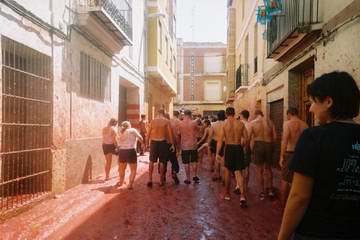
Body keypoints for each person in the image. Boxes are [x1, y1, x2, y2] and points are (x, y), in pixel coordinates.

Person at [278, 71, 360, 240]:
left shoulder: (313, 137)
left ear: (328, 102)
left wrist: (282, 237)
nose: (310, 108)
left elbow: (299, 196)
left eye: (314, 102)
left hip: (316, 231)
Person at [217, 107, 248, 207]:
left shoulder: (224, 125)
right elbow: (246, 139)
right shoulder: (241, 124)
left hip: (229, 148)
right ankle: (242, 196)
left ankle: (227, 194)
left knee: (227, 171)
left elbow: (220, 140)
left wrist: (218, 153)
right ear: (234, 114)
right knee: (238, 172)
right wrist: (241, 147)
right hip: (238, 147)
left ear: (226, 114)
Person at [279, 107, 308, 208]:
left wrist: (281, 157)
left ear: (289, 114)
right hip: (301, 154)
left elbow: (285, 140)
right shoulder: (305, 125)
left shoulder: (287, 124)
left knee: (285, 179)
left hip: (289, 153)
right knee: (298, 179)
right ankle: (296, 205)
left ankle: (284, 206)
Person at [248, 109, 277, 200]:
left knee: (259, 170)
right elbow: (275, 137)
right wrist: (272, 147)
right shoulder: (270, 122)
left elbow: (248, 137)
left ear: (256, 114)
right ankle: (271, 191)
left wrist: (250, 149)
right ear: (262, 114)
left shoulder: (252, 123)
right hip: (269, 144)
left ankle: (262, 192)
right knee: (268, 169)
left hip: (258, 144)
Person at [147, 109, 175, 187]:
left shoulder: (152, 121)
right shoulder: (166, 121)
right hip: (162, 142)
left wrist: (146, 144)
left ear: (157, 113)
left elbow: (148, 133)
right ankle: (161, 180)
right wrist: (172, 144)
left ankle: (150, 179)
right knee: (162, 161)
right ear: (164, 113)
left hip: (153, 142)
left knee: (151, 161)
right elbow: (170, 134)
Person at [117, 121, 144, 189]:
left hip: (122, 151)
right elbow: (140, 138)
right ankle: (130, 184)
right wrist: (142, 144)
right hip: (131, 151)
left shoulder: (120, 132)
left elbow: (118, 143)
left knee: (122, 169)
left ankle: (121, 182)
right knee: (133, 170)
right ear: (129, 125)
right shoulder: (133, 130)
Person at [178, 109, 200, 184]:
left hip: (184, 145)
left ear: (184, 114)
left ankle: (188, 178)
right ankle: (195, 175)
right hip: (193, 144)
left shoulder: (180, 123)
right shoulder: (194, 123)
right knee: (194, 161)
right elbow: (198, 131)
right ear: (190, 115)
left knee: (186, 162)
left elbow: (179, 134)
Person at [237, 110, 251, 195]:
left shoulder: (239, 123)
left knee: (239, 168)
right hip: (248, 147)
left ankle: (239, 185)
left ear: (242, 115)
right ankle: (246, 185)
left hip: (241, 147)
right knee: (247, 167)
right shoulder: (251, 124)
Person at [209, 110, 226, 180]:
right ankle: (223, 175)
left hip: (214, 141)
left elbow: (210, 135)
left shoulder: (213, 124)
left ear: (217, 116)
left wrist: (209, 143)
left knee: (216, 158)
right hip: (224, 142)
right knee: (223, 159)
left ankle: (217, 174)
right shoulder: (226, 123)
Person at [166, 111, 181, 184]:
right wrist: (178, 145)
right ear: (178, 115)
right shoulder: (179, 122)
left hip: (166, 142)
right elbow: (178, 134)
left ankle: (162, 176)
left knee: (163, 160)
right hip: (174, 143)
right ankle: (174, 171)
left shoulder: (168, 121)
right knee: (174, 160)